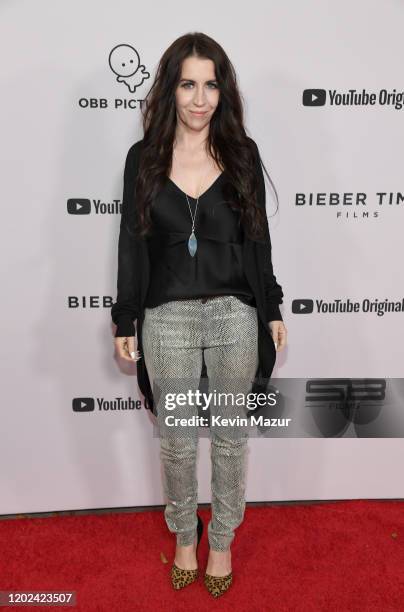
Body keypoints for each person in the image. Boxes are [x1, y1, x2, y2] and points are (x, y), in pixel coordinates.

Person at [111, 32, 287, 598]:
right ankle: (185, 535)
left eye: (211, 85)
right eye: (189, 84)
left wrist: (273, 307)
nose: (200, 98)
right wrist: (124, 318)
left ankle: (224, 543)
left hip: (235, 312)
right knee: (178, 440)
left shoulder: (242, 154)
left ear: (223, 92)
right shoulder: (144, 158)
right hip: (168, 320)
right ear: (170, 88)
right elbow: (132, 244)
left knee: (233, 437)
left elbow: (256, 239)